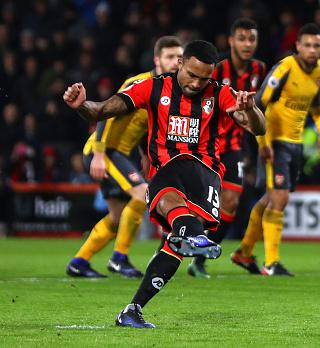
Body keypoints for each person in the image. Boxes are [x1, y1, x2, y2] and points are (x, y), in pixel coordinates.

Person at [63, 40, 266, 328]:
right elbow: (102, 110)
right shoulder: (152, 87)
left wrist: (252, 109)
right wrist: (81, 104)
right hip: (166, 171)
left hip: (205, 175)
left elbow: (257, 126)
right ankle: (190, 234)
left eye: (204, 78)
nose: (197, 83)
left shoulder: (220, 94)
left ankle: (132, 309)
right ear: (180, 63)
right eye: (192, 75)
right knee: (169, 194)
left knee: (175, 245)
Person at [65, 36, 183, 278]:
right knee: (143, 193)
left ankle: (79, 262)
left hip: (122, 154)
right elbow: (107, 112)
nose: (175, 62)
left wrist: (142, 154)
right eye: (170, 57)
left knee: (117, 217)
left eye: (179, 58)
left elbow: (142, 126)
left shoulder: (167, 90)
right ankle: (119, 259)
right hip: (106, 150)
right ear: (157, 59)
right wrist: (98, 154)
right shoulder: (139, 82)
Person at [232, 23, 320, 277]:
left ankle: (244, 252)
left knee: (270, 199)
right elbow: (259, 104)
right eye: (306, 45)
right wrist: (262, 144)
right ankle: (271, 263)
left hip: (295, 144)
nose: (311, 50)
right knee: (280, 199)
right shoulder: (286, 67)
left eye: (316, 45)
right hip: (274, 142)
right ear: (297, 46)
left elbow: (315, 103)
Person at [188, 18, 267, 279]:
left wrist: (262, 143)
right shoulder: (216, 70)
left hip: (233, 145)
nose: (247, 44)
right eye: (242, 38)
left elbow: (259, 112)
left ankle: (200, 258)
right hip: (206, 143)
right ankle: (168, 245)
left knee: (231, 203)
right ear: (231, 41)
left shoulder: (259, 69)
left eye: (252, 39)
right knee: (197, 205)